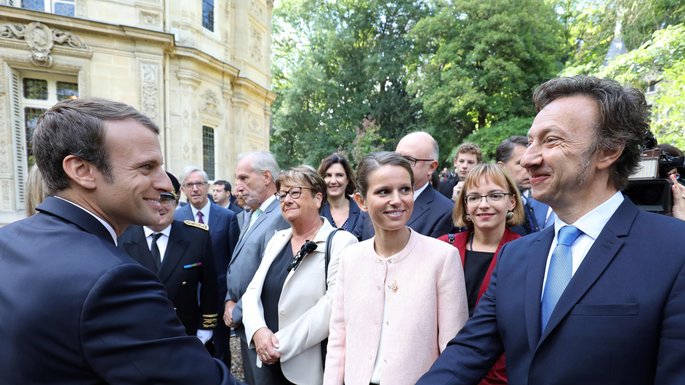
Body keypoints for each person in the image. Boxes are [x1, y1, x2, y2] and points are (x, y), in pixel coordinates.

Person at [416, 75, 685, 385]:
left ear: (609, 150)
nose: (529, 159)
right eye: (531, 141)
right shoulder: (516, 256)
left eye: (551, 140)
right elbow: (468, 353)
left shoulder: (674, 251)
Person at [0, 98, 238, 384]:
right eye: (146, 167)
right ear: (82, 171)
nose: (165, 185)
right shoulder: (115, 281)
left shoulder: (8, 240)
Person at [323, 152, 469, 385]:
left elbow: (453, 347)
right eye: (383, 191)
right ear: (361, 201)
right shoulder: (351, 258)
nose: (397, 200)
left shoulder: (442, 258)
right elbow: (339, 337)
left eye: (405, 189)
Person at [242, 166, 358, 385]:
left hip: (308, 369)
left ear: (317, 198)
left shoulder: (343, 242)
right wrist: (258, 331)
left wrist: (276, 345)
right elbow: (252, 292)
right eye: (282, 195)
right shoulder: (277, 239)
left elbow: (331, 306)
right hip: (267, 363)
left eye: (295, 192)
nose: (286, 200)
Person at [438, 164, 524, 385]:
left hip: (499, 377)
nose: (483, 205)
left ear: (512, 201)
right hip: (443, 371)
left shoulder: (526, 254)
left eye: (495, 195)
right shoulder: (441, 248)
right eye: (474, 197)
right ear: (465, 205)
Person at [119, 171, 219, 347]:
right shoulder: (122, 238)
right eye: (151, 200)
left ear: (176, 201)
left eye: (165, 199)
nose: (159, 206)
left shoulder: (197, 236)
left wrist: (205, 326)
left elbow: (210, 285)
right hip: (136, 333)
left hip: (184, 331)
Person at [224, 151, 290, 385]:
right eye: (236, 179)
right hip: (244, 320)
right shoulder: (249, 214)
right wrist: (228, 300)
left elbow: (268, 272)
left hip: (263, 323)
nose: (237, 187)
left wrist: (238, 309)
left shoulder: (280, 215)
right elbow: (239, 264)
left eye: (244, 178)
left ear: (266, 177)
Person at [175, 166, 239, 367]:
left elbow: (233, 260)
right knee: (189, 351)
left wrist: (231, 296)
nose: (195, 189)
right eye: (189, 184)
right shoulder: (175, 218)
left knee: (219, 350)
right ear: (183, 189)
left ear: (207, 186)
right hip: (187, 299)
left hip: (218, 298)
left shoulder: (227, 217)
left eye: (199, 184)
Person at [361, 132, 455, 239]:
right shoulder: (372, 200)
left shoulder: (446, 211)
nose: (399, 164)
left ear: (432, 167)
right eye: (396, 157)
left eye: (408, 160)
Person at [495, 136, 553, 235]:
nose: (529, 168)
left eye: (531, 162)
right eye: (520, 163)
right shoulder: (492, 205)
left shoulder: (525, 200)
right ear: (501, 167)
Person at [317, 153, 367, 240]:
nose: (333, 181)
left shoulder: (362, 210)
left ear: (347, 179)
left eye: (339, 175)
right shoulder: (316, 212)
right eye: (328, 175)